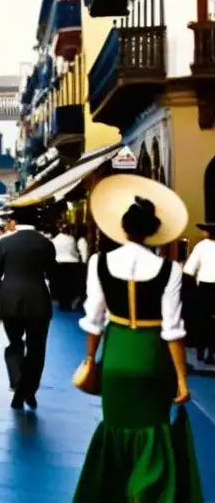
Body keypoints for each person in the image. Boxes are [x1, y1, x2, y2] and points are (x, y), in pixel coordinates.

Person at [72, 175, 203, 501]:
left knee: (114, 428)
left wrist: (91, 360)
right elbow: (173, 329)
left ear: (123, 228)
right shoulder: (170, 269)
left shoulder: (98, 263)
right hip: (152, 358)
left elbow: (93, 320)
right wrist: (182, 379)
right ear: (152, 231)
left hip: (116, 356)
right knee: (153, 432)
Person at [0, 206, 55, 411]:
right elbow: (52, 273)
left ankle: (18, 384)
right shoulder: (46, 244)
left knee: (15, 343)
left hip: (9, 300)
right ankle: (28, 390)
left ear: (15, 222)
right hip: (38, 300)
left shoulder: (4, 243)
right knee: (37, 349)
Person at [185, 223, 215, 365]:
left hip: (205, 286)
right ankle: (211, 352)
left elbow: (189, 269)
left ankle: (201, 351)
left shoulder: (202, 246)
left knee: (203, 319)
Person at [50, 223, 81, 311]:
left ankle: (62, 302)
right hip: (71, 263)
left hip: (58, 263)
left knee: (60, 285)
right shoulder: (71, 239)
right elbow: (74, 252)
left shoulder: (54, 240)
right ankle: (69, 302)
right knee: (69, 285)